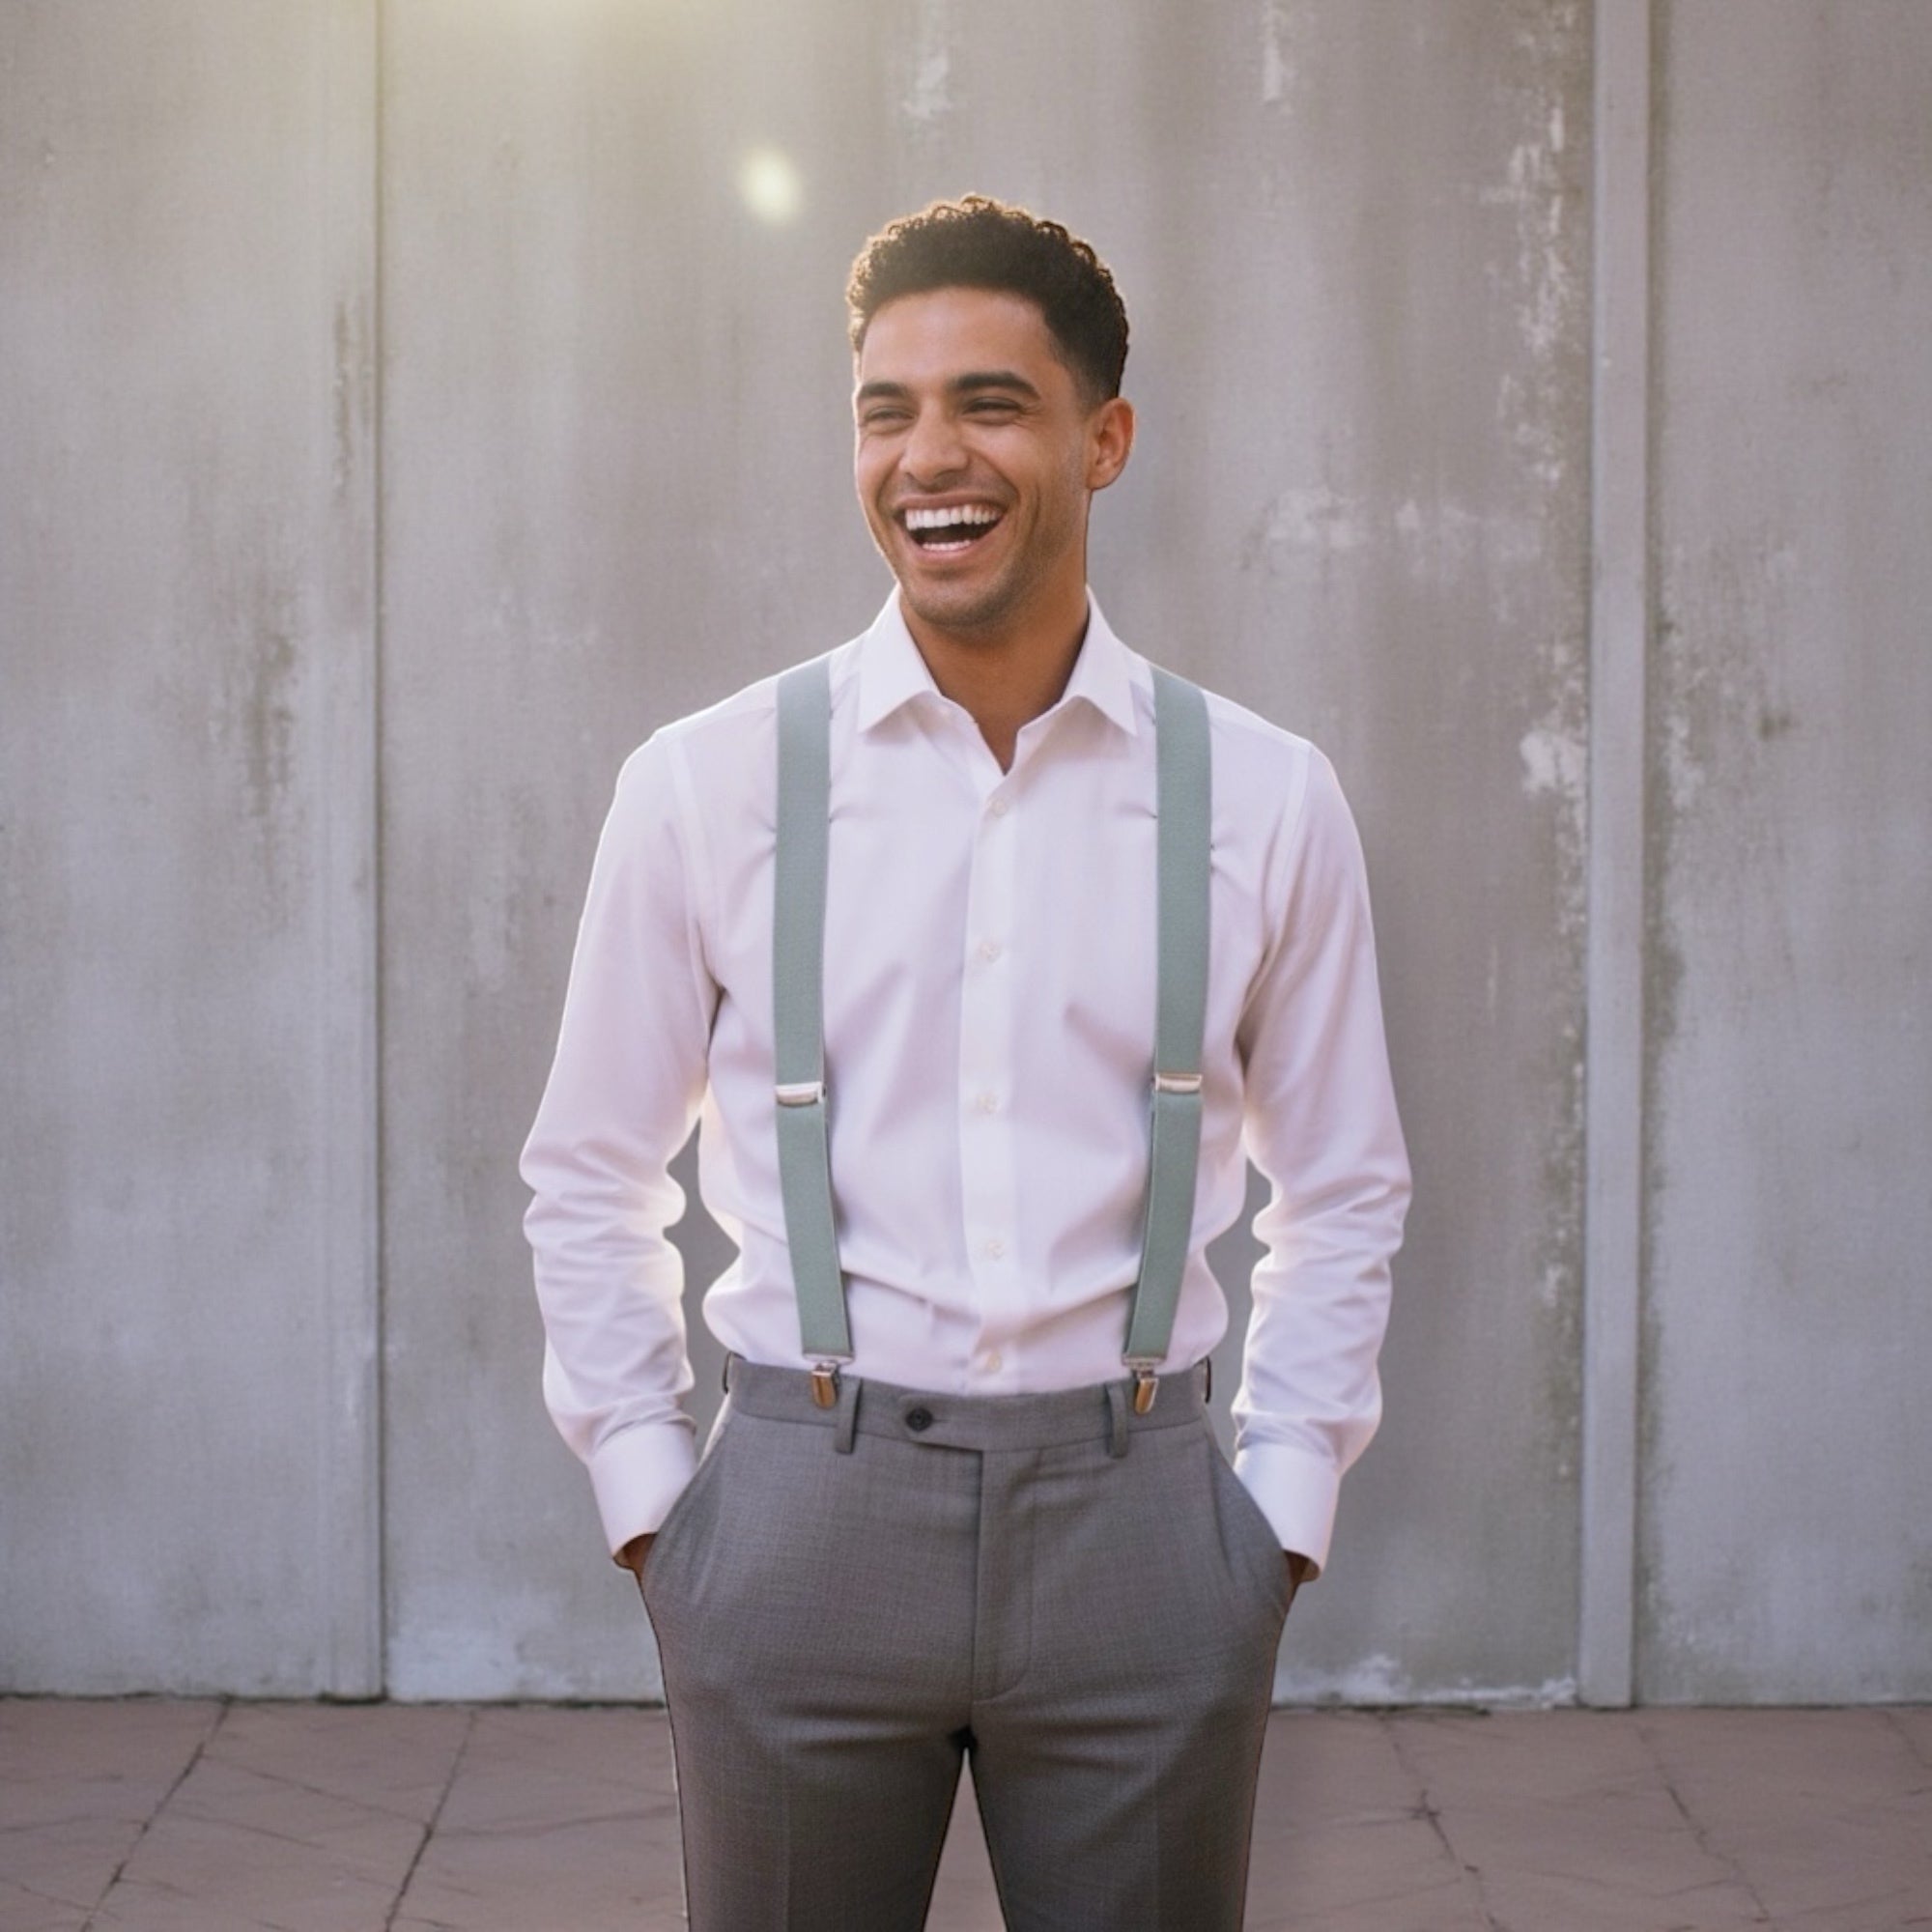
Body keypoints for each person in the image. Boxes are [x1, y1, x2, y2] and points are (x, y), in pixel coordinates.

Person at [522, 195, 1409, 1931]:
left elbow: (1348, 1181)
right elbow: (587, 1171)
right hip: (799, 1524)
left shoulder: (1264, 797)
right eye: (886, 409)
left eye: (990, 403)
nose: (931, 455)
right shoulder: (706, 787)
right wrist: (661, 1515)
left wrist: (1274, 1520)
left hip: (1146, 1530)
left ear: (1104, 438)